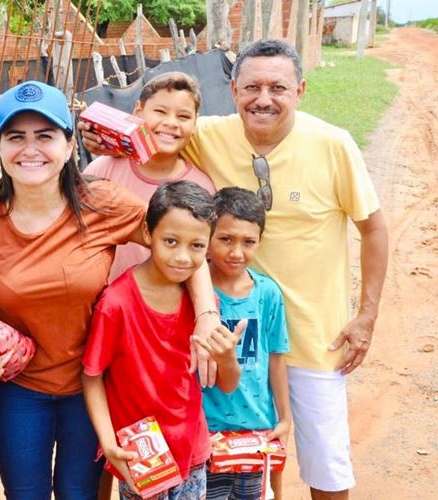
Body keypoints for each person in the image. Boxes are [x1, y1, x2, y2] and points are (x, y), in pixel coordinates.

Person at [81, 39, 389, 500]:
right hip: (225, 330)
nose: (263, 98)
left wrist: (365, 317)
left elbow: (375, 229)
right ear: (233, 89)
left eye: (278, 87)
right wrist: (110, 133)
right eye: (252, 87)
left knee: (326, 462)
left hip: (315, 335)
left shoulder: (333, 144)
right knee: (195, 451)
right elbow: (163, 123)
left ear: (300, 90)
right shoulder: (208, 132)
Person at [0, 81, 219, 500]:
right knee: (25, 494)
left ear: (70, 144)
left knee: (81, 494)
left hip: (93, 386)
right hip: (21, 387)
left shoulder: (103, 202)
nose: (31, 149)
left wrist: (205, 316)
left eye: (46, 135)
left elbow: (180, 250)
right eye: (16, 137)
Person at [82, 180, 245, 500]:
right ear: (147, 234)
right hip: (140, 455)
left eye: (197, 246)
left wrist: (227, 358)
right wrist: (108, 441)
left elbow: (226, 384)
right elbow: (92, 377)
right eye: (171, 241)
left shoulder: (204, 306)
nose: (183, 257)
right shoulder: (116, 303)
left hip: (192, 452)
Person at [202, 187, 291, 500]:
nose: (236, 252)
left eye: (248, 242)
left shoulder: (268, 294)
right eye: (226, 239)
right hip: (205, 434)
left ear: (260, 242)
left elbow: (277, 358)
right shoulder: (194, 294)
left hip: (256, 430)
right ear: (208, 237)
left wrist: (284, 417)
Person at [84, 72, 215, 281]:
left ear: (195, 122)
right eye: (160, 111)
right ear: (138, 111)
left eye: (183, 116)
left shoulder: (202, 186)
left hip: (172, 306)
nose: (171, 122)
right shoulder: (102, 171)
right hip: (107, 304)